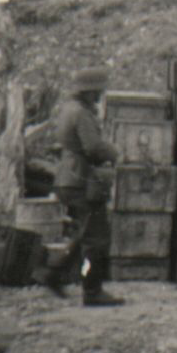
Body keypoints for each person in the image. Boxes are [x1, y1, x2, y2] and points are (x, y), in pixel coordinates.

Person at [47, 66, 124, 306]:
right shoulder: (81, 113)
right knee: (96, 239)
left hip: (68, 179)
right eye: (98, 91)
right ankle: (92, 291)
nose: (100, 95)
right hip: (82, 180)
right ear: (90, 92)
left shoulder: (69, 109)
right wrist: (117, 153)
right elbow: (93, 147)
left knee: (85, 234)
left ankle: (52, 274)